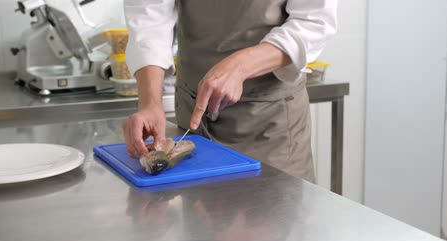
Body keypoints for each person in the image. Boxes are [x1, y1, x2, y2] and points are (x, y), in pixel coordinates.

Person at [123, 0, 337, 182]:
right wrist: (150, 103)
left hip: (270, 126)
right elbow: (149, 12)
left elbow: (314, 22)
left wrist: (241, 66)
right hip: (194, 116)